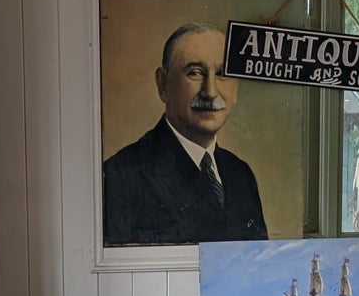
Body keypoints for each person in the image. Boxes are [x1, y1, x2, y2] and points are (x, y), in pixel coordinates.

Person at [103, 23, 268, 247]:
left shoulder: (241, 174)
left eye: (222, 74)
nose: (210, 91)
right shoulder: (120, 177)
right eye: (194, 72)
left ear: (235, 88)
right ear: (163, 85)